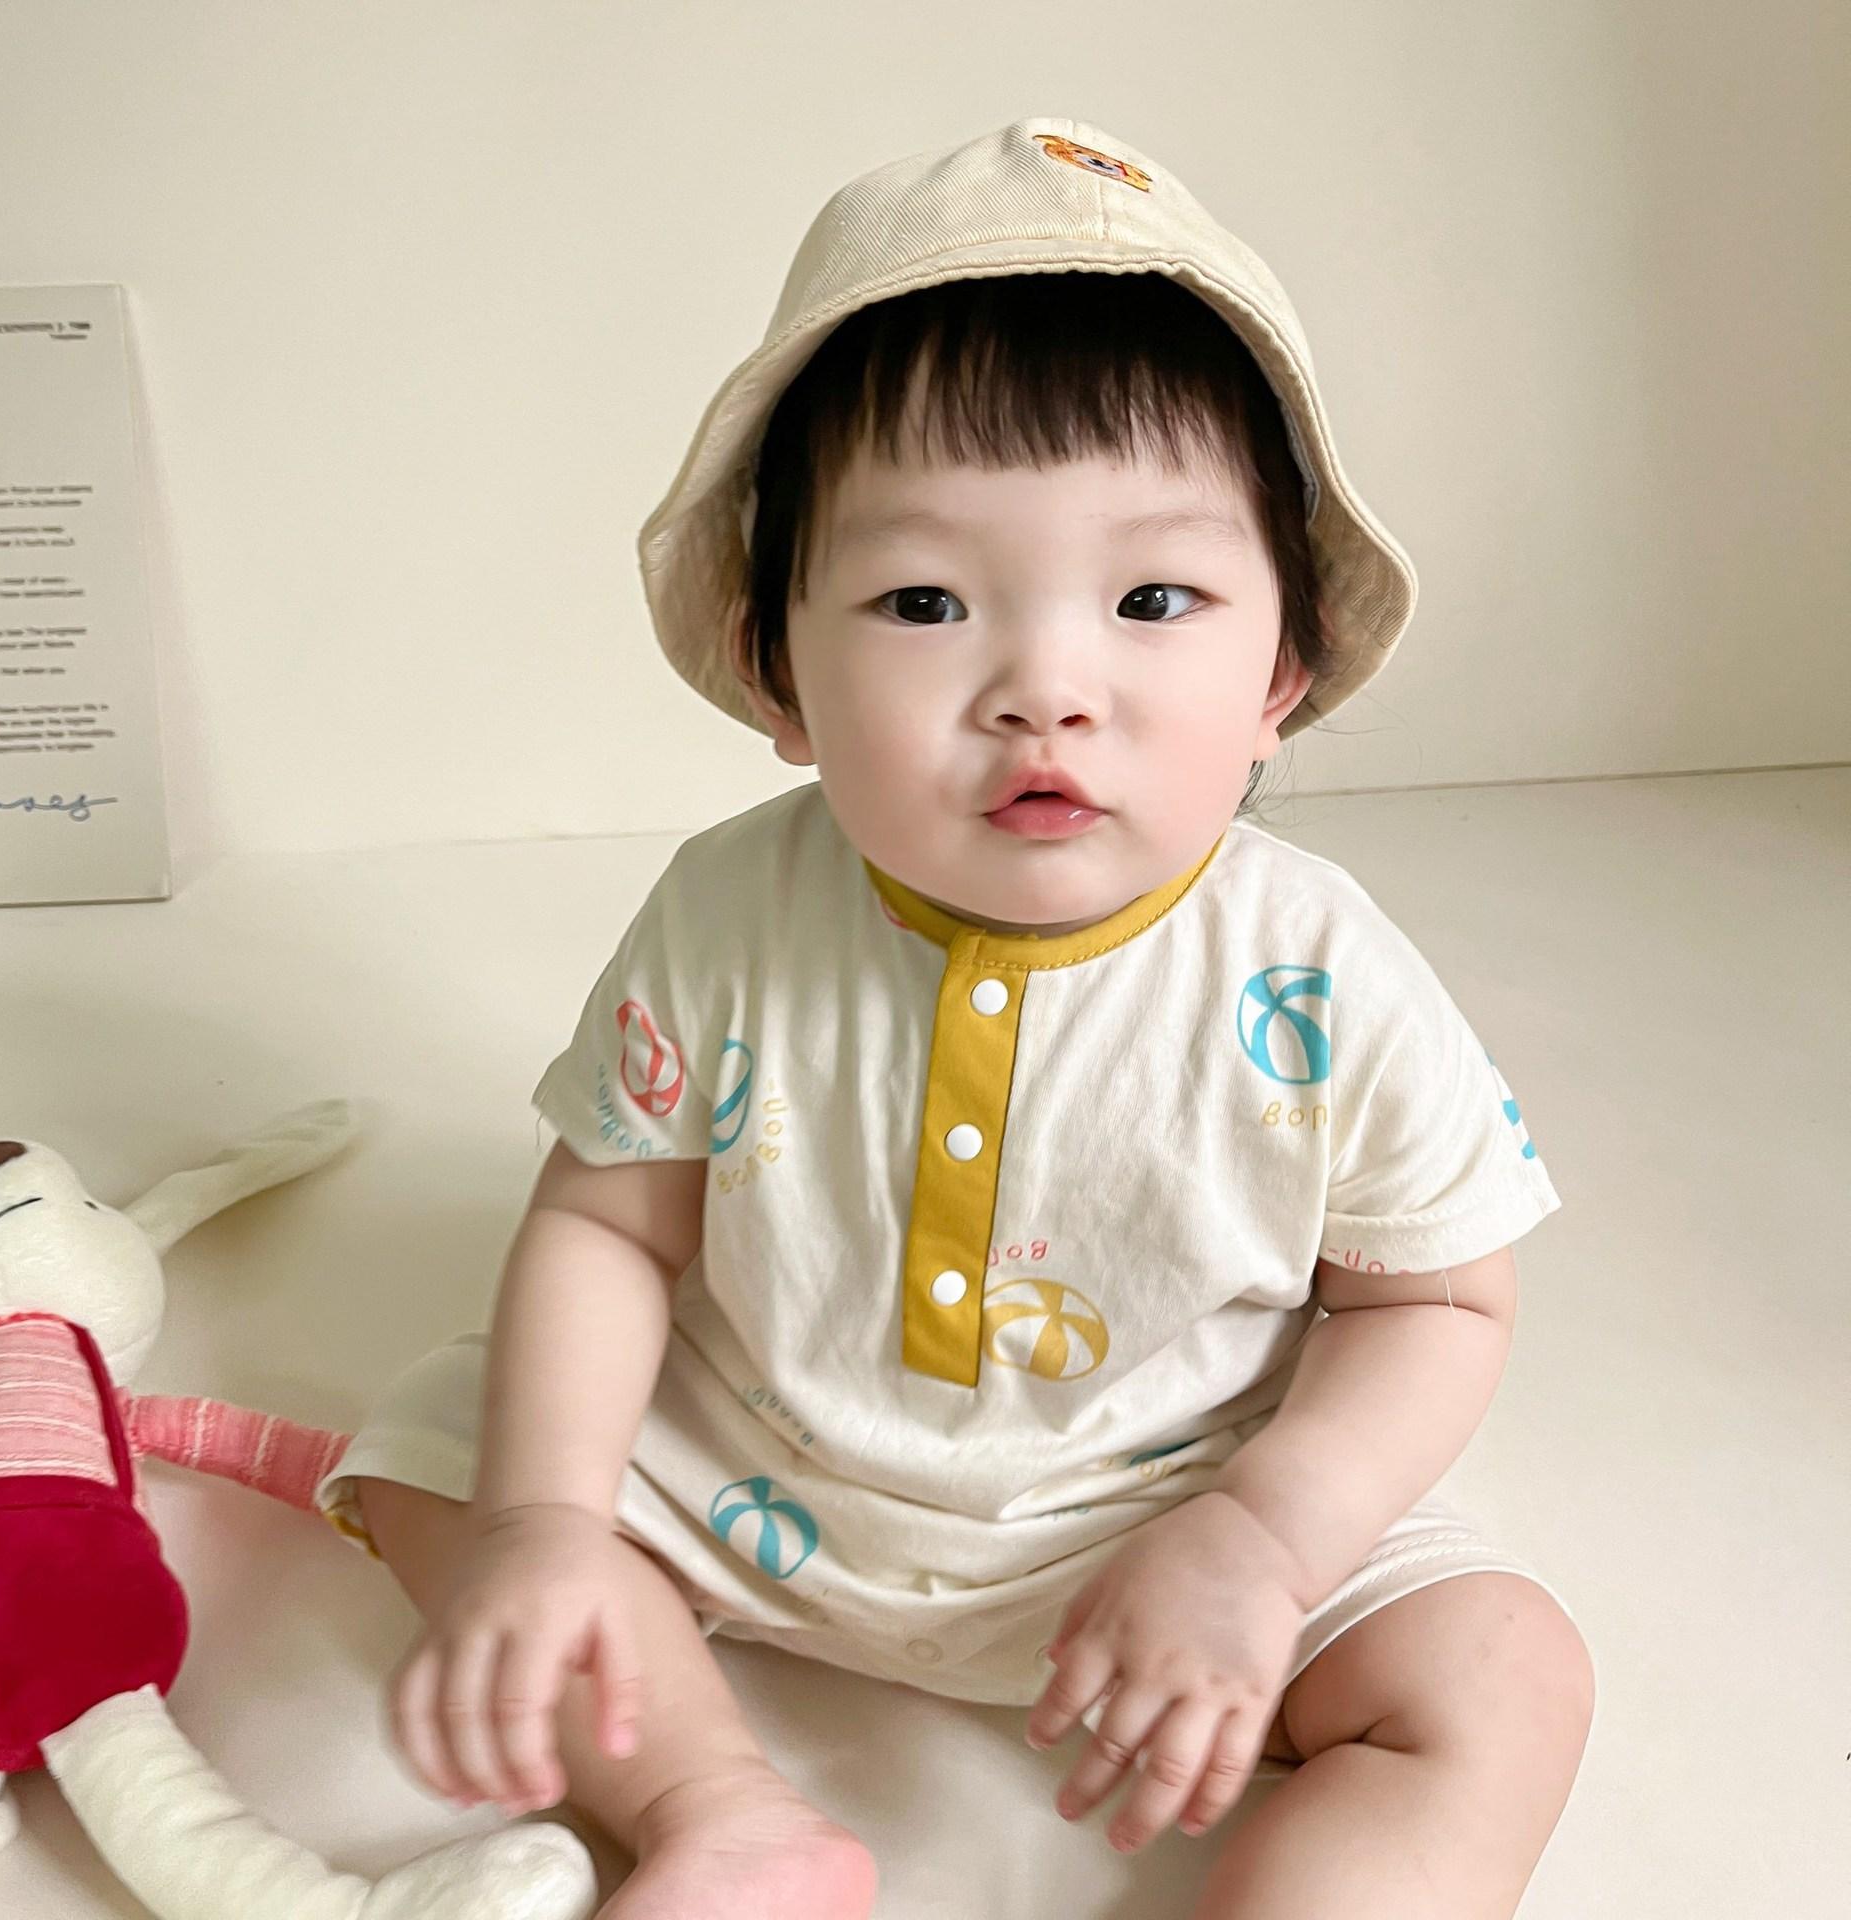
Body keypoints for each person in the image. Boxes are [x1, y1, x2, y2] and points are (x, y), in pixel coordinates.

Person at [315, 116, 1595, 1918]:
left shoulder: (1319, 973)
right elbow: (610, 1225)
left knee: (1505, 1676)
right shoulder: (730, 911)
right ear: (776, 670)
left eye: (1153, 599)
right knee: (435, 1464)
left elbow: (1437, 1301)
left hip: (1173, 1514)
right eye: (924, 601)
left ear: (1283, 671)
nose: (1046, 689)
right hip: (757, 1475)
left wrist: (1263, 1535)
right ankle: (720, 1811)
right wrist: (542, 1523)